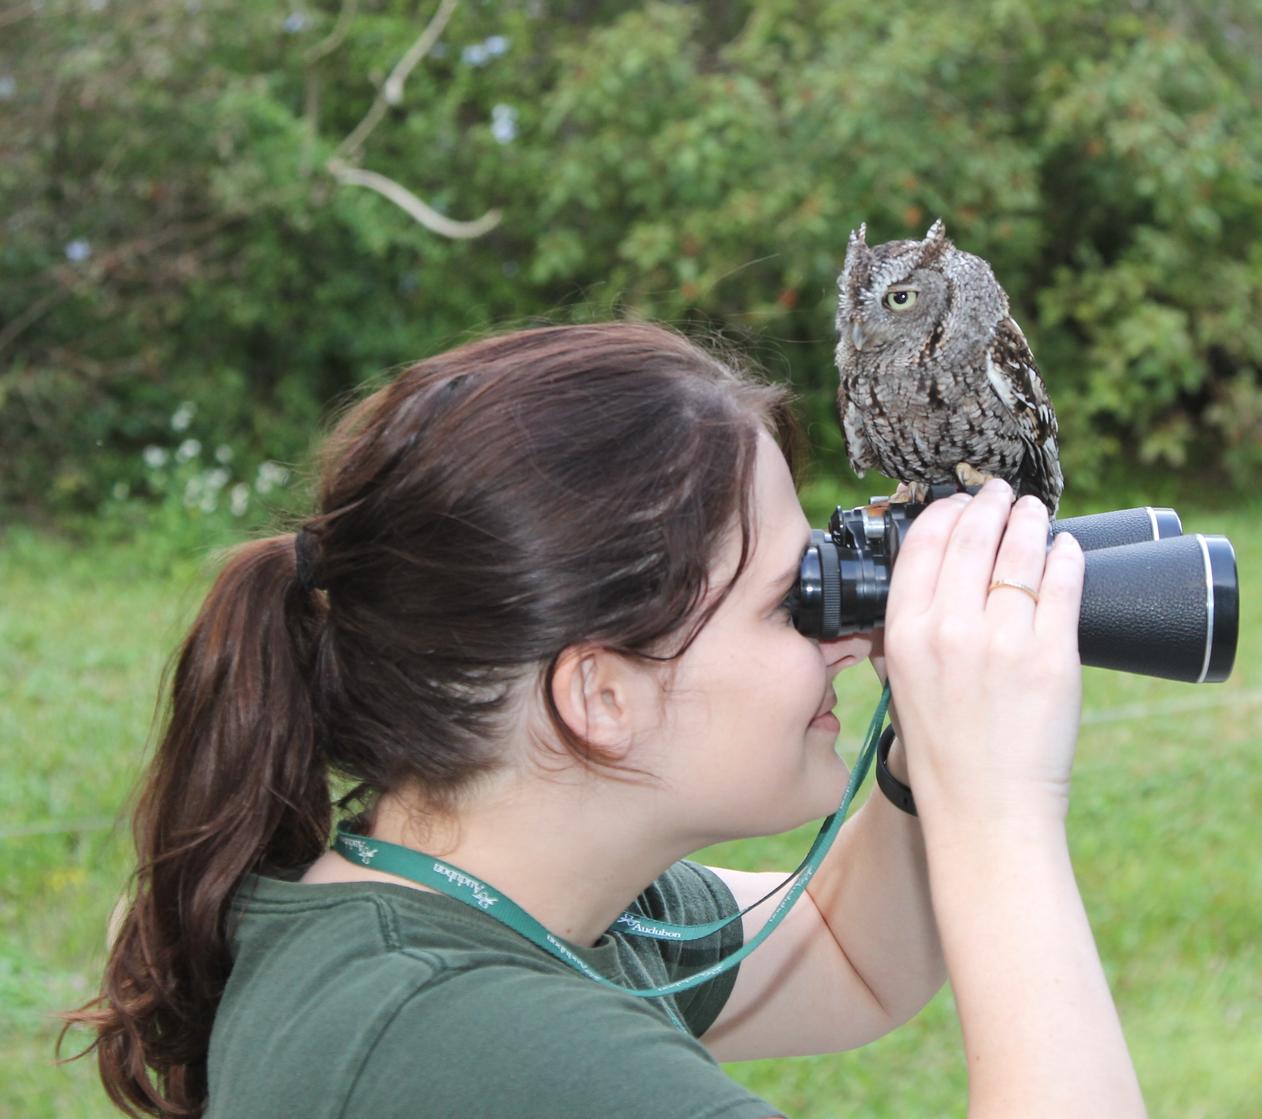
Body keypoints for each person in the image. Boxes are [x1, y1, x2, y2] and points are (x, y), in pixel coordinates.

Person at [64, 322, 1145, 1118]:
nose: (842, 636)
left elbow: (845, 952)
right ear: (599, 699)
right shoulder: (483, 1052)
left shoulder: (495, 908)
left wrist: (924, 748)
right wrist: (998, 811)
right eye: (787, 601)